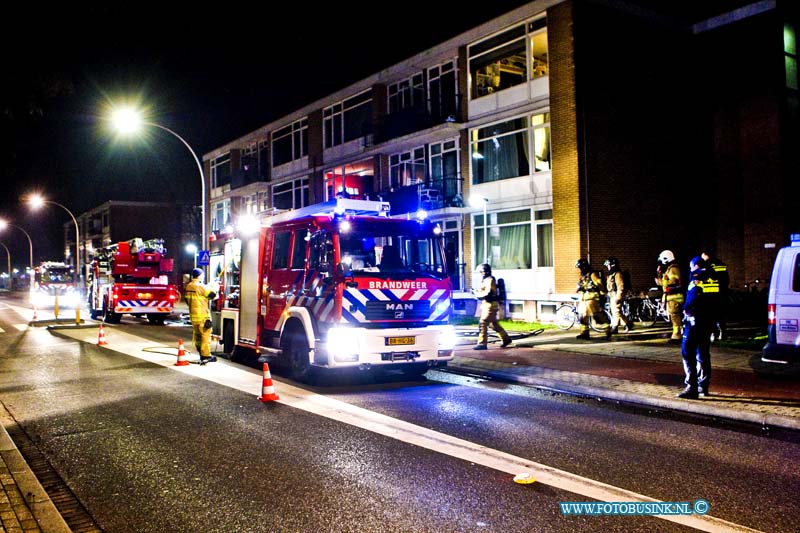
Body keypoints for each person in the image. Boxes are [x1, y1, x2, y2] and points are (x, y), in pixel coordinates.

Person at [677, 256, 720, 399]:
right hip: (708, 321)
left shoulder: (696, 276)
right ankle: (704, 385)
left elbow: (692, 297)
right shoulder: (714, 278)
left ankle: (692, 387)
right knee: (703, 353)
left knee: (687, 352)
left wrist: (686, 309)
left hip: (694, 321)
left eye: (691, 267)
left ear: (695, 266)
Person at [184, 267, 219, 365]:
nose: (203, 276)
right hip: (203, 316)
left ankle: (201, 353)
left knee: (198, 337)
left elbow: (188, 301)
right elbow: (213, 296)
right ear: (199, 276)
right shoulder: (200, 286)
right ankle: (206, 356)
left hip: (194, 317)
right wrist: (215, 287)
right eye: (202, 275)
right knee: (205, 336)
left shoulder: (189, 286)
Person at [473, 263, 512, 350]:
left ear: (484, 272)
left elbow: (488, 293)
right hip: (489, 305)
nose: (480, 274)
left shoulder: (489, 280)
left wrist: (477, 293)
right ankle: (506, 339)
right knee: (493, 324)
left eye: (481, 272)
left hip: (489, 305)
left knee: (483, 323)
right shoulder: (487, 280)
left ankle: (482, 343)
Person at [575, 259, 611, 340]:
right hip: (584, 299)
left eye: (580, 268)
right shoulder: (584, 276)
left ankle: (608, 330)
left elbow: (599, 283)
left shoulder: (593, 274)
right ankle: (584, 333)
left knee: (597, 316)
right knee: (582, 317)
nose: (579, 270)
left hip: (592, 299)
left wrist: (602, 293)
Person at [701, 248, 729, 341]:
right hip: (722, 292)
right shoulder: (721, 263)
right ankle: (723, 333)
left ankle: (713, 334)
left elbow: (705, 279)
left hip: (710, 293)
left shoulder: (706, 264)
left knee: (711, 314)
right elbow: (726, 278)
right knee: (721, 314)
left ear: (705, 255)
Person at [658, 250, 685, 342]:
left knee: (675, 316)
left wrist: (661, 282)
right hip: (671, 297)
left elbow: (674, 282)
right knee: (673, 317)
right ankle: (677, 333)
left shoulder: (673, 269)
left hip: (674, 297)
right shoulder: (670, 268)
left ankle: (677, 336)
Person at [604, 256, 632, 334]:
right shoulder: (612, 274)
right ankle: (628, 323)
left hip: (616, 295)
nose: (608, 267)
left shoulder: (617, 274)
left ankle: (615, 327)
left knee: (616, 311)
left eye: (608, 265)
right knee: (617, 311)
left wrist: (618, 297)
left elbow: (621, 286)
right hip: (612, 295)